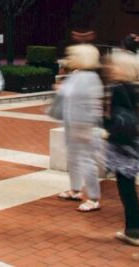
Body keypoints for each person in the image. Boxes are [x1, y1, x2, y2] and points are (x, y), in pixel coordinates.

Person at [103, 51, 139, 247]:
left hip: (122, 146)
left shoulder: (118, 89)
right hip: (134, 143)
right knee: (129, 189)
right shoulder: (135, 88)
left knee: (126, 189)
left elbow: (111, 120)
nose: (110, 68)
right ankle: (133, 229)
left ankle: (133, 230)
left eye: (114, 65)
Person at [51, 43, 103, 212]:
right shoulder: (75, 75)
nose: (69, 59)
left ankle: (94, 198)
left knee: (87, 161)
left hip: (84, 125)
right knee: (73, 158)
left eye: (73, 56)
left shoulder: (90, 78)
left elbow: (93, 105)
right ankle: (75, 189)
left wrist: (87, 126)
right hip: (72, 123)